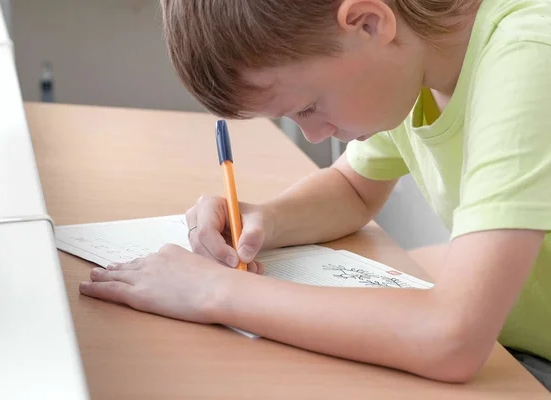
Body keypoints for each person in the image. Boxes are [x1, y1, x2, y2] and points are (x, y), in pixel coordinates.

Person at [79, 0, 551, 387]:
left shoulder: (528, 55)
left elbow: (452, 338)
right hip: (511, 341)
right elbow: (353, 189)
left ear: (369, 22)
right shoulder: (418, 61)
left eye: (309, 106)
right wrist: (265, 219)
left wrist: (215, 291)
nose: (313, 135)